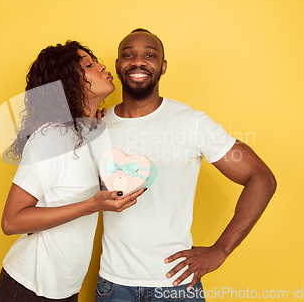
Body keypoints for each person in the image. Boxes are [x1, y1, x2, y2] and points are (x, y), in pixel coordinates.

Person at [94, 29, 277, 302]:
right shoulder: (96, 125)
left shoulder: (191, 123)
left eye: (150, 55)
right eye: (129, 55)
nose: (138, 61)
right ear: (119, 66)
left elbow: (260, 177)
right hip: (112, 286)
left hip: (175, 287)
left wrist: (221, 250)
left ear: (163, 66)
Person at [0, 41, 145, 302]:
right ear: (68, 84)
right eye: (88, 65)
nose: (101, 65)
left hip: (67, 288)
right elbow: (11, 221)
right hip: (30, 287)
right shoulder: (50, 138)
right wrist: (90, 205)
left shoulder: (95, 131)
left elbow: (102, 186)